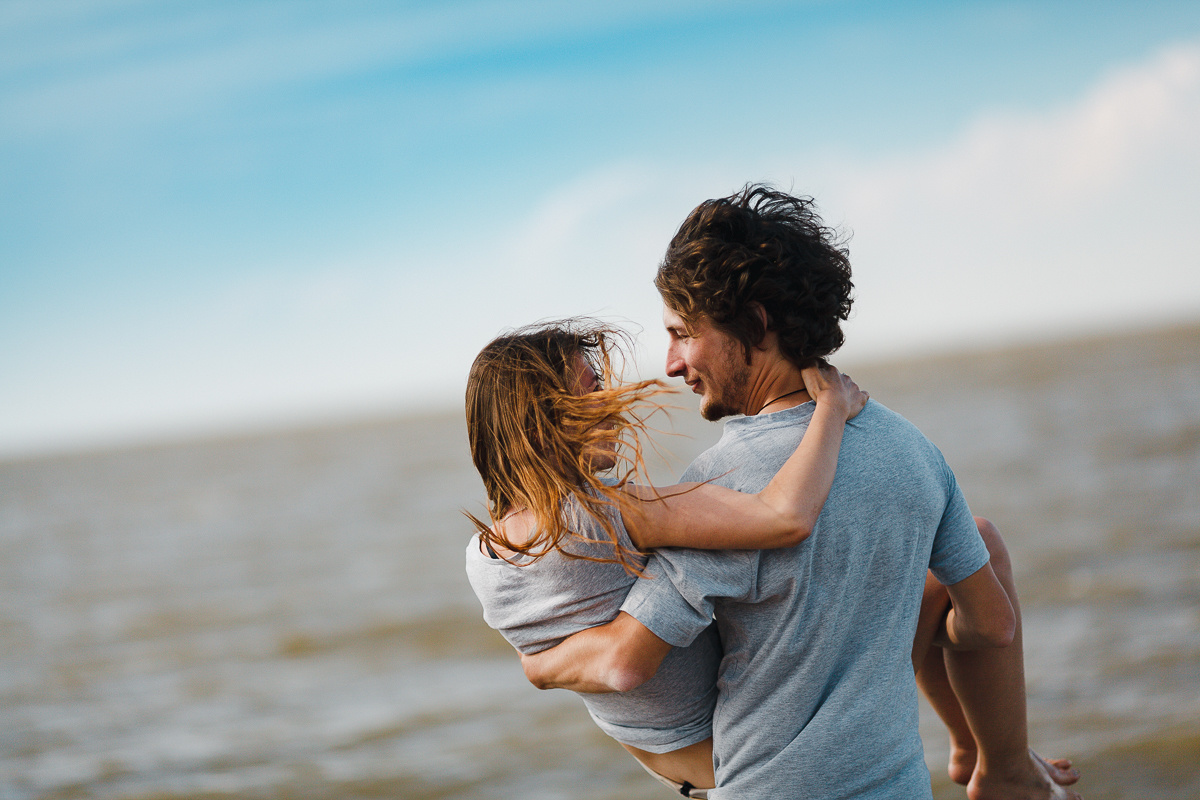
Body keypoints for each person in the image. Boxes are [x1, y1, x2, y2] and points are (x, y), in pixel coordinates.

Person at [519, 186, 1083, 800]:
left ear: (756, 324)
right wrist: (897, 635)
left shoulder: (713, 494)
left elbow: (629, 663)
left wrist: (539, 663)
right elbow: (992, 626)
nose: (672, 363)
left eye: (683, 334)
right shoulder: (912, 449)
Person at [465, 319, 885, 793]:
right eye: (588, 392)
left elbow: (550, 661)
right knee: (919, 592)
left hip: (683, 774)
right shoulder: (610, 515)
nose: (610, 403)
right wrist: (831, 407)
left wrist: (540, 668)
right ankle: (978, 754)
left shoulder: (485, 558)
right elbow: (786, 517)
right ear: (539, 421)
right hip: (755, 762)